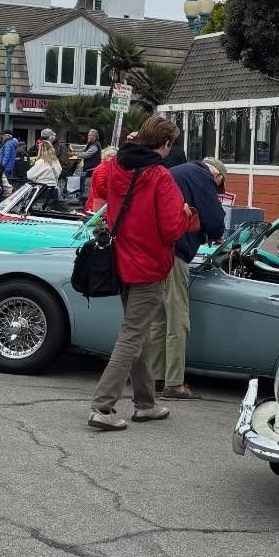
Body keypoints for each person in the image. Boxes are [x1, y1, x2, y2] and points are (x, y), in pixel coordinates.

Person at [88, 116, 198, 431]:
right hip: (149, 264)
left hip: (120, 259)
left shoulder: (117, 166)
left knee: (138, 334)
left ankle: (145, 403)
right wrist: (185, 214)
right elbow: (171, 229)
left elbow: (99, 184)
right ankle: (102, 405)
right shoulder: (160, 176)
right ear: (165, 144)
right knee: (133, 335)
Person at [150, 155, 228, 399]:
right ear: (216, 175)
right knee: (178, 319)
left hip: (156, 250)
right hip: (174, 252)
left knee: (159, 318)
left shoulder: (181, 171)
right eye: (219, 185)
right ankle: (174, 383)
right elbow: (215, 221)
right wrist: (214, 233)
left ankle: (153, 377)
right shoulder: (202, 177)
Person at [76, 128, 103, 200]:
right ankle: (83, 199)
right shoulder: (91, 144)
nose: (88, 136)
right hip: (89, 168)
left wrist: (75, 154)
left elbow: (86, 154)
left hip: (91, 169)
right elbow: (84, 150)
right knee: (84, 184)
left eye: (89, 135)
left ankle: (84, 201)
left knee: (87, 186)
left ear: (94, 136)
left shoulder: (95, 145)